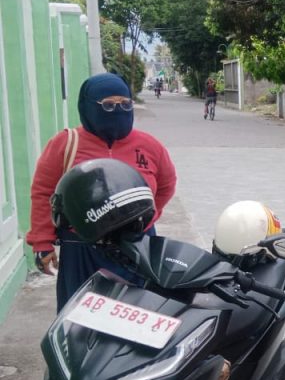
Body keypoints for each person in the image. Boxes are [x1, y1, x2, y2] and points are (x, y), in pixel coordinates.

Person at [27, 72, 178, 311]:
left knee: (137, 313)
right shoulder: (65, 144)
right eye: (108, 105)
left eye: (125, 104)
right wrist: (42, 243)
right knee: (80, 315)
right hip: (82, 248)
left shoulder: (149, 146)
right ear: (88, 106)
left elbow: (166, 184)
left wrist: (148, 216)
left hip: (136, 246)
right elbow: (43, 192)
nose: (117, 110)